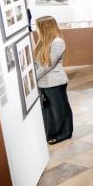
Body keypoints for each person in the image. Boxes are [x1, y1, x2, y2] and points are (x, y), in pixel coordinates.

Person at [33, 16, 73, 144]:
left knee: (60, 109)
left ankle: (64, 133)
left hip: (55, 82)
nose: (36, 29)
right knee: (49, 111)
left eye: (37, 26)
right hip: (43, 83)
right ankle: (52, 132)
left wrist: (34, 77)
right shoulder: (42, 42)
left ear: (45, 28)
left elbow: (48, 65)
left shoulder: (57, 42)